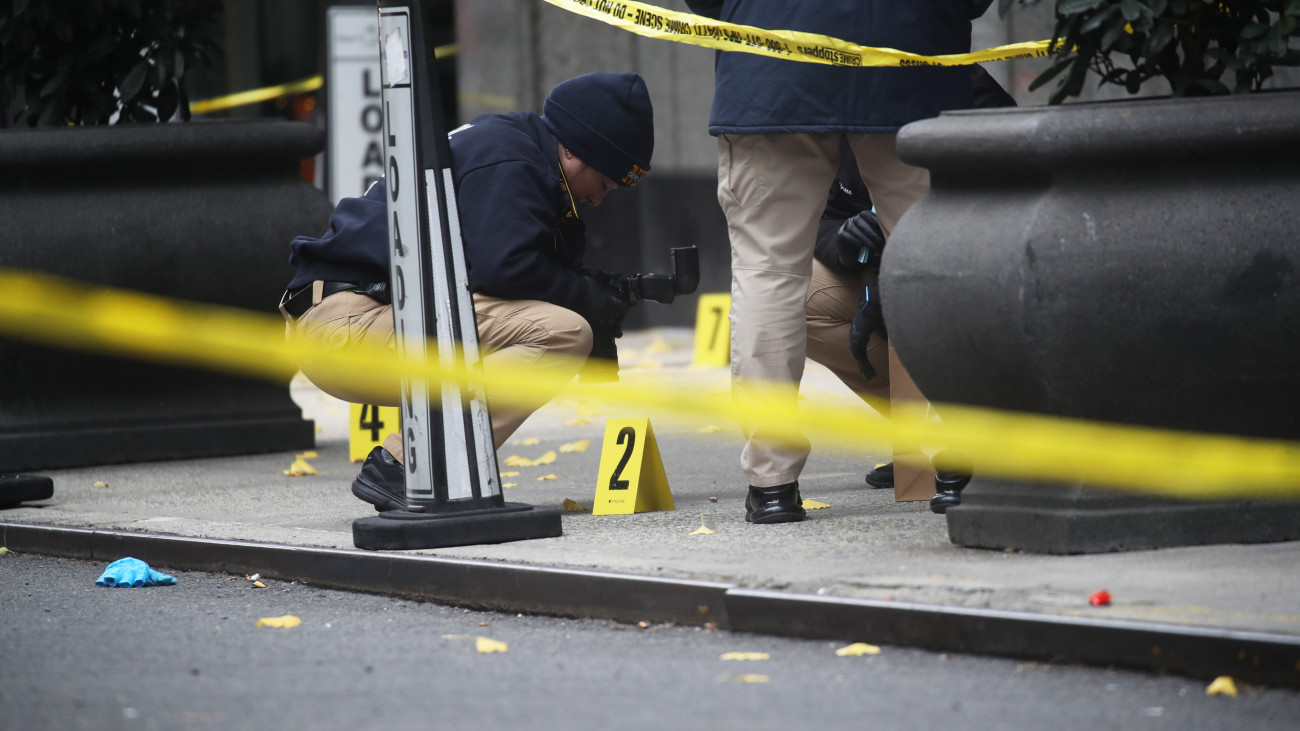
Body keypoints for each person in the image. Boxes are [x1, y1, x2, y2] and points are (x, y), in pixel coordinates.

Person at [279, 72, 654, 511]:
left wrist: (587, 287)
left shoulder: (512, 149)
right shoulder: (513, 160)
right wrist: (588, 299)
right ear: (573, 151)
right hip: (348, 323)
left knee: (557, 325)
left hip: (348, 318)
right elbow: (504, 270)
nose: (598, 200)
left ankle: (424, 470)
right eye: (605, 184)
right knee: (563, 333)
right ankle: (407, 466)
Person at [686, 0, 990, 523]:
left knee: (768, 273)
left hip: (771, 66)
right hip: (907, 56)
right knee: (936, 262)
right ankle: (956, 465)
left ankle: (772, 483)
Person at [805, 66, 1017, 510]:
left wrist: (893, 289)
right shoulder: (840, 97)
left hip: (973, 275)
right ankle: (923, 440)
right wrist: (845, 238)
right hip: (892, 271)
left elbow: (1000, 217)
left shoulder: (966, 93)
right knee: (796, 295)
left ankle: (981, 438)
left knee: (927, 303)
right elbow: (819, 216)